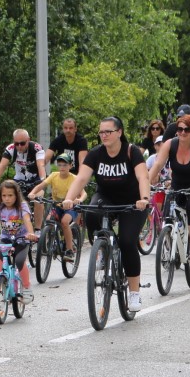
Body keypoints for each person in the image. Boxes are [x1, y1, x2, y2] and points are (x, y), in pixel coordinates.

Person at [61, 116, 150, 312]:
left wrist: (144, 198)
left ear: (119, 132)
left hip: (133, 201)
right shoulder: (96, 154)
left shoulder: (131, 152)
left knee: (127, 242)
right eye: (101, 132)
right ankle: (102, 250)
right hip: (106, 197)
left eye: (108, 132)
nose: (104, 136)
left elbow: (143, 176)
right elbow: (81, 178)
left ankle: (134, 293)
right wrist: (69, 199)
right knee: (91, 213)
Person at [148, 113, 190, 261]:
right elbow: (157, 165)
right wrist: (145, 185)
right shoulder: (170, 144)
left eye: (187, 129)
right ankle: (171, 241)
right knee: (168, 210)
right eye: (180, 129)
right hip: (178, 184)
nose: (183, 132)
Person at [0, 180, 38, 297]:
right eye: (4, 196)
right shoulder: (0, 207)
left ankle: (26, 287)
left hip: (22, 239)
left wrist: (31, 233)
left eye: (10, 195)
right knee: (0, 253)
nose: (7, 199)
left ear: (16, 196)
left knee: (19, 261)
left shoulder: (22, 206)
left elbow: (27, 220)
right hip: (6, 238)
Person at [28, 151, 84, 258]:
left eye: (65, 165)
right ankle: (52, 240)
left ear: (71, 166)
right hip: (57, 205)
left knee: (64, 222)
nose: (62, 167)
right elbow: (41, 185)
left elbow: (83, 194)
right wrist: (33, 193)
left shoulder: (74, 178)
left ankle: (69, 249)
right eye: (60, 165)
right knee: (49, 220)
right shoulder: (54, 176)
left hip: (69, 207)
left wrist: (79, 200)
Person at [0, 128, 47, 227]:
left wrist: (42, 179)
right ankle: (9, 225)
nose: (19, 146)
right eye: (17, 143)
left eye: (22, 143)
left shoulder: (36, 148)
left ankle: (38, 229)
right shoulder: (11, 149)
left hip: (36, 180)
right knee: (8, 197)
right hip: (19, 179)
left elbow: (41, 165)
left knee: (38, 199)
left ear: (28, 140)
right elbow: (2, 166)